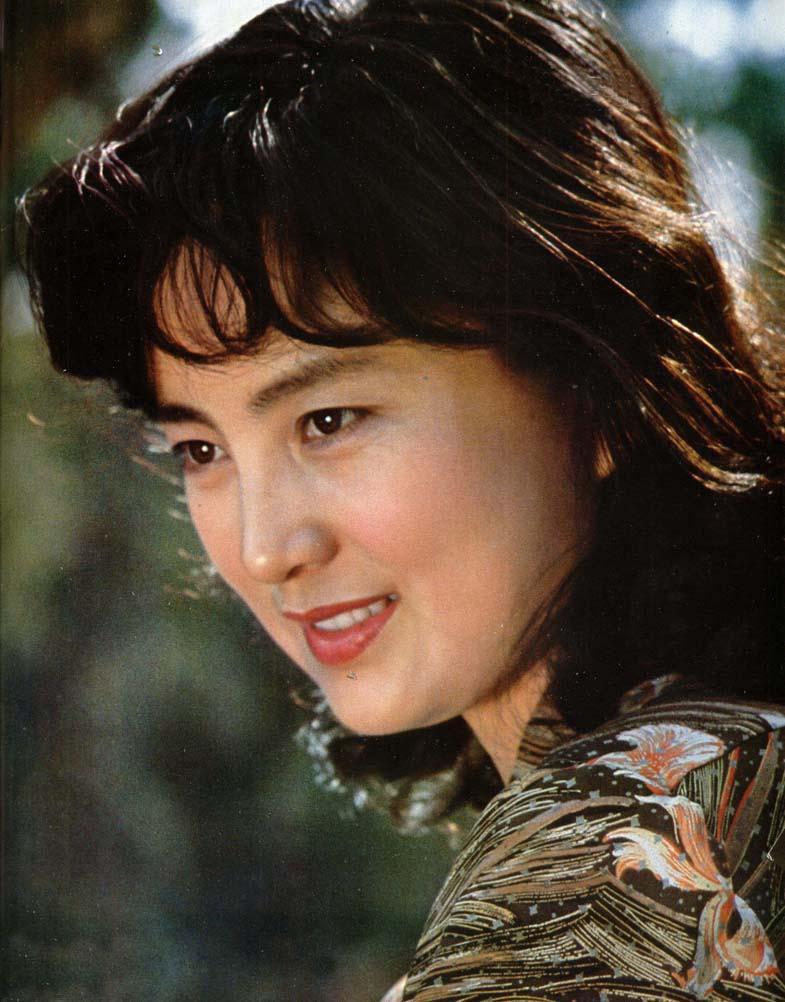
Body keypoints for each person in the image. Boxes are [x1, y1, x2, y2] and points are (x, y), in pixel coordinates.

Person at [20, 0, 785, 998]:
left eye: (328, 420)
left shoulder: (606, 875)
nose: (265, 547)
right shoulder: (720, 791)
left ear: (599, 383)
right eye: (200, 449)